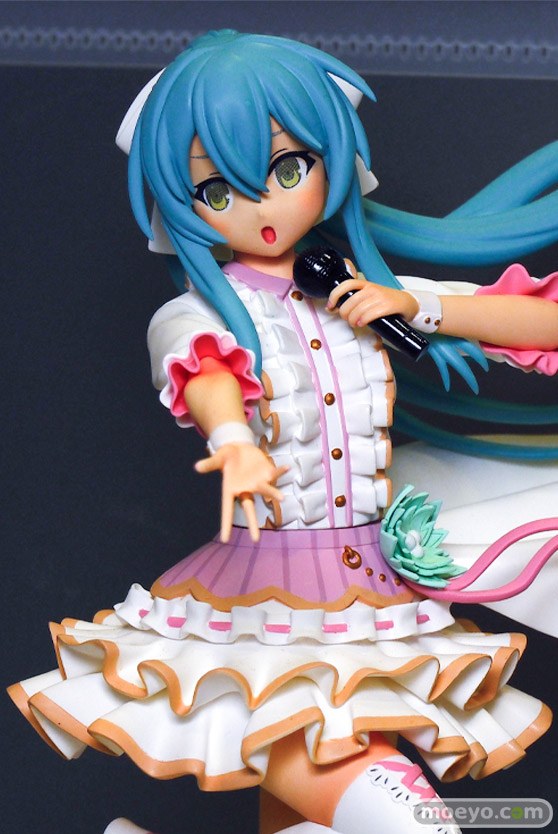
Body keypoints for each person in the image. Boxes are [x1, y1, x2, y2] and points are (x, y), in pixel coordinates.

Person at [9, 30, 558, 834]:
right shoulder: (198, 313)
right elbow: (205, 370)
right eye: (217, 190)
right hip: (268, 609)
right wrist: (232, 441)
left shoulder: (358, 289)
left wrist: (419, 305)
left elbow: (538, 322)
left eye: (288, 169)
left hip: (372, 605)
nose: (264, 207)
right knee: (413, 822)